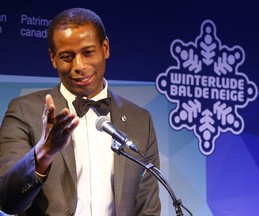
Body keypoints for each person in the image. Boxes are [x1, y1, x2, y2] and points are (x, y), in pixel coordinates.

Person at [0, 8, 161, 216]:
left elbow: (147, 208)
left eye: (88, 52)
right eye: (67, 57)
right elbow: (7, 200)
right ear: (53, 58)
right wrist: (43, 153)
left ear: (105, 48)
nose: (79, 65)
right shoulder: (23, 112)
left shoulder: (141, 121)